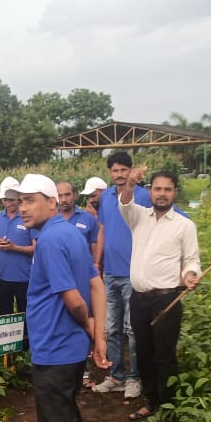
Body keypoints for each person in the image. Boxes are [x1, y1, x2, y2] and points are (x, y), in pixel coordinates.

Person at [16, 173, 109, 422]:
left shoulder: (51, 241)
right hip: (69, 351)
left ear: (52, 202)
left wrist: (88, 326)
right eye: (19, 201)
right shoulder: (70, 233)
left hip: (54, 350)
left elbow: (74, 300)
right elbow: (95, 284)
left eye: (30, 200)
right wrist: (98, 337)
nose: (23, 208)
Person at [119, 171, 202, 422]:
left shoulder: (184, 226)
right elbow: (125, 203)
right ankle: (152, 402)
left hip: (167, 300)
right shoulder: (138, 217)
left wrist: (190, 275)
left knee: (164, 356)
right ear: (150, 191)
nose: (162, 194)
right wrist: (130, 183)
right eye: (157, 189)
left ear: (175, 192)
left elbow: (192, 260)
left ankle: (167, 408)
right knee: (143, 353)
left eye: (167, 189)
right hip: (138, 299)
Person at [93, 152, 150, 399]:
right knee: (112, 328)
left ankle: (134, 378)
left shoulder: (144, 195)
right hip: (111, 273)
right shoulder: (106, 197)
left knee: (132, 329)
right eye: (115, 170)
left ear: (131, 170)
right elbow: (102, 230)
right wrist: (97, 263)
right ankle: (116, 376)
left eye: (123, 170)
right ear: (110, 173)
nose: (119, 175)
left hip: (133, 273)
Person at [0, 177, 35, 317]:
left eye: (11, 200)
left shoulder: (28, 217)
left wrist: (14, 247)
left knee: (27, 316)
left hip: (24, 279)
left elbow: (36, 249)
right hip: (1, 278)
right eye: (5, 200)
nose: (8, 203)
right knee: (5, 317)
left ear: (19, 198)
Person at [57, 180, 99, 255]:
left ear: (75, 195)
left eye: (67, 195)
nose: (64, 200)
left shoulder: (88, 219)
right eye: (60, 196)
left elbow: (95, 246)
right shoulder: (49, 220)